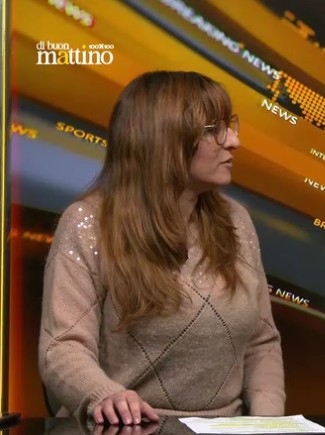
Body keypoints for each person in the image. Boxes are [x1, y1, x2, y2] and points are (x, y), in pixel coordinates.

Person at [39, 71, 285, 425]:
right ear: (165, 140)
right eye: (214, 130)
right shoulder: (88, 223)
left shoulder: (237, 221)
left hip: (226, 428)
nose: (234, 141)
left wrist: (268, 425)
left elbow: (262, 343)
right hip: (129, 428)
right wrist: (104, 395)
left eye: (229, 127)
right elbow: (61, 347)